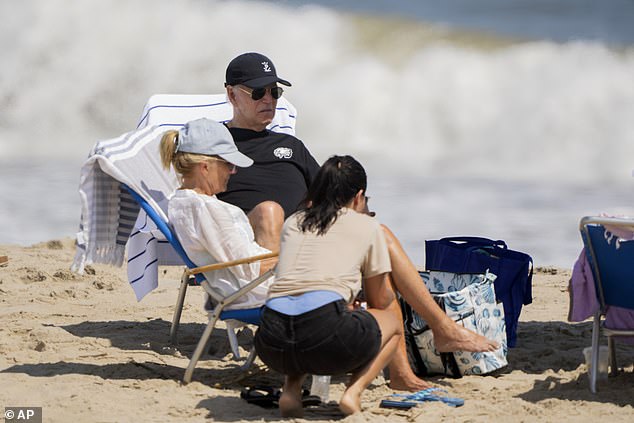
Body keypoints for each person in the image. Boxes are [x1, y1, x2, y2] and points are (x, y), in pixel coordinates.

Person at [254, 155, 499, 417]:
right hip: (321, 337)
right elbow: (380, 300)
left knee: (300, 314)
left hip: (270, 342)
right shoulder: (367, 225)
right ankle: (353, 392)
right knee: (391, 322)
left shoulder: (294, 222)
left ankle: (291, 391)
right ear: (359, 197)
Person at [159, 117, 277, 309]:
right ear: (205, 167)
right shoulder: (205, 209)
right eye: (229, 164)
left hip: (240, 289)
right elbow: (249, 266)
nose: (233, 171)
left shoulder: (183, 203)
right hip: (254, 294)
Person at [217, 52, 320, 251]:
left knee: (379, 232)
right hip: (250, 251)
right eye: (258, 93)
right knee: (268, 213)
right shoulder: (213, 145)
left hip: (306, 245)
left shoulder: (292, 146)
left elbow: (329, 195)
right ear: (232, 95)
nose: (268, 100)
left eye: (274, 92)